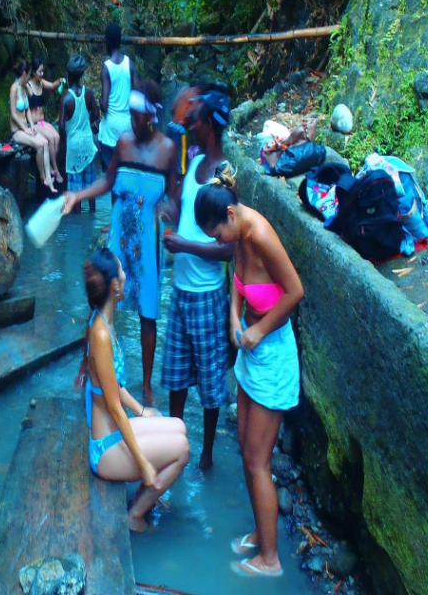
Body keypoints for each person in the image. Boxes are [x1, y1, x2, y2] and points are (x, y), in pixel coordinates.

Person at [194, 164, 304, 579]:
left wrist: (257, 327)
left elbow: (295, 291)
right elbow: (239, 280)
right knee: (245, 446)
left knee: (258, 460)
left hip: (272, 352)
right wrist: (233, 316)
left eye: (216, 234)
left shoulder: (257, 234)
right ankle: (261, 531)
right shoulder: (238, 233)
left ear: (232, 217)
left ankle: (271, 560)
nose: (216, 241)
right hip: (250, 349)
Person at [65, 80, 177, 405]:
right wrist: (77, 195)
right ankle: (89, 365)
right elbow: (107, 181)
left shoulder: (168, 150)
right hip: (120, 239)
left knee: (147, 314)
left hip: (147, 245)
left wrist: (165, 208)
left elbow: (173, 195)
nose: (132, 120)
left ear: (152, 116)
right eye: (129, 113)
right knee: (103, 303)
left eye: (137, 114)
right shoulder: (123, 143)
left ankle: (145, 386)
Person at [82, 248, 190, 531]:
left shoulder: (102, 320)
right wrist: (143, 464)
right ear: (115, 285)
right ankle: (135, 515)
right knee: (182, 449)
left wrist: (143, 411)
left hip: (113, 433)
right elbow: (115, 408)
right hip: (105, 450)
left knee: (179, 426)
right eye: (121, 271)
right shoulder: (101, 333)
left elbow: (112, 388)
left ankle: (147, 495)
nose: (125, 274)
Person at [161, 87, 233, 470]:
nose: (191, 124)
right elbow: (186, 213)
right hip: (181, 291)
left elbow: (228, 249)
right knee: (175, 375)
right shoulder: (196, 163)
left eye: (196, 120)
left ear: (209, 126)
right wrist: (168, 213)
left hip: (206, 294)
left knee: (208, 383)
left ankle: (204, 456)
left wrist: (185, 246)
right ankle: (172, 443)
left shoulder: (224, 176)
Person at [8, 58, 57, 194]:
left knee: (45, 142)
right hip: (17, 131)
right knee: (40, 145)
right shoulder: (14, 89)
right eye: (29, 74)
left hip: (26, 128)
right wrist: (25, 129)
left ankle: (48, 179)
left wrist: (31, 126)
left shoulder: (23, 88)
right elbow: (13, 113)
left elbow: (27, 109)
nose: (30, 77)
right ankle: (42, 177)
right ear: (24, 73)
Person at [58, 54, 100, 212]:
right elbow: (96, 114)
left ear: (68, 74)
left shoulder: (66, 99)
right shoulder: (88, 93)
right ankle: (92, 217)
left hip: (74, 147)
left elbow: (61, 127)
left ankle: (77, 225)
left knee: (75, 193)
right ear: (81, 75)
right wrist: (87, 123)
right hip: (88, 144)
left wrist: (63, 145)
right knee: (90, 187)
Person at [98, 22, 136, 172]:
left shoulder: (107, 67)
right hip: (127, 127)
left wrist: (100, 101)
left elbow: (105, 106)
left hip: (110, 130)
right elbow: (137, 92)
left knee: (111, 175)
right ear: (120, 41)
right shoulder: (130, 64)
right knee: (125, 171)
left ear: (107, 41)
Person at [27, 57, 65, 184]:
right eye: (40, 72)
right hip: (34, 123)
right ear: (33, 72)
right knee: (51, 138)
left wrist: (60, 80)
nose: (42, 74)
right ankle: (55, 169)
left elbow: (53, 85)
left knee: (57, 137)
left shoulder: (41, 83)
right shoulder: (28, 86)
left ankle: (51, 163)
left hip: (42, 122)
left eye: (43, 71)